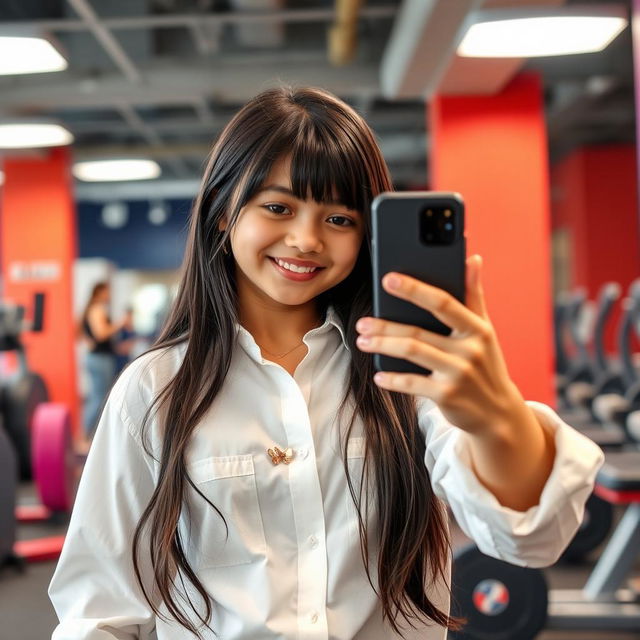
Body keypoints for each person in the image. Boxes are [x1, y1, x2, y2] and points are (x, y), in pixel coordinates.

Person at [49, 86, 603, 640]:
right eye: (278, 207)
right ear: (223, 214)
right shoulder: (156, 390)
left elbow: (530, 539)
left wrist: (494, 413)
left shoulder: (406, 373)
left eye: (339, 219)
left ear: (366, 236)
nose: (306, 239)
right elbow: (100, 609)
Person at [79, 282, 131, 439]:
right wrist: (120, 324)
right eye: (107, 292)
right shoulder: (97, 309)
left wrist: (117, 348)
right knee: (98, 398)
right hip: (100, 360)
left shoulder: (92, 310)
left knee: (99, 397)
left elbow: (93, 336)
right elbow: (101, 334)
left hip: (99, 357)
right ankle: (86, 436)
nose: (109, 295)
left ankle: (90, 435)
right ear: (99, 292)